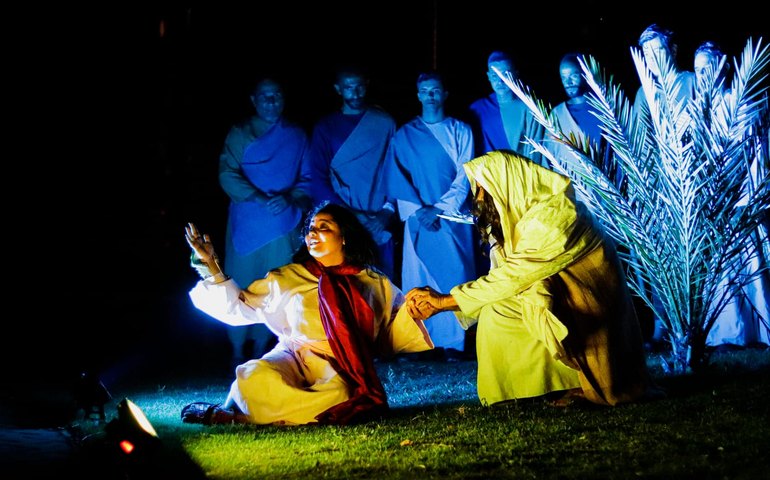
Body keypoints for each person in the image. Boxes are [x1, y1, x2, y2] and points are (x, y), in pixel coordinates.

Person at [406, 150, 660, 407]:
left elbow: (514, 276)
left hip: (586, 302)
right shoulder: (513, 216)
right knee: (500, 309)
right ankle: (523, 391)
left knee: (521, 304)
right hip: (556, 294)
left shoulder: (558, 213)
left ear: (508, 181)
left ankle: (575, 382)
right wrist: (445, 302)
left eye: (484, 188)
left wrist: (446, 301)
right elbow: (500, 277)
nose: (479, 198)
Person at [182, 202, 434, 426]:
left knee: (342, 396)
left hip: (338, 364)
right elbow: (239, 306)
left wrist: (413, 311)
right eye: (311, 227)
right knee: (254, 377)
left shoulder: (372, 281)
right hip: (292, 355)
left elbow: (388, 330)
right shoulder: (289, 276)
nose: (313, 232)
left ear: (343, 237)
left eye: (323, 227)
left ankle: (245, 418)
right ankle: (272, 415)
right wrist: (212, 265)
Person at [383, 71, 478, 360]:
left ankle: (455, 343)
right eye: (425, 91)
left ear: (445, 93)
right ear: (418, 95)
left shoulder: (461, 131)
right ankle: (421, 342)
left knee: (456, 276)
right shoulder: (404, 134)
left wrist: (440, 208)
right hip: (418, 220)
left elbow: (466, 173)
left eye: (435, 90)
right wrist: (420, 211)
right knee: (419, 275)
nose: (431, 96)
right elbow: (396, 178)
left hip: (452, 218)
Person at [218, 77, 311, 368]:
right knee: (242, 284)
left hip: (283, 223)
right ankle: (236, 350)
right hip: (247, 222)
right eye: (265, 96)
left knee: (276, 287)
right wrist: (258, 197)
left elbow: (308, 178)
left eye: (277, 96)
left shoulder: (296, 135)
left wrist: (289, 198)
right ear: (254, 100)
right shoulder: (240, 133)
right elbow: (227, 173)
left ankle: (262, 347)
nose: (271, 102)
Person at [694, 41, 770, 347]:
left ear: (723, 68)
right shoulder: (700, 111)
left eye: (707, 69)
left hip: (741, 202)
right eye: (698, 71)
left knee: (752, 267)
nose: (702, 77)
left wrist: (748, 201)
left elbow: (756, 158)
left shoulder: (742, 107)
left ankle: (759, 330)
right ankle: (730, 333)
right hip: (716, 204)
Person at [301, 65, 398, 280]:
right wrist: (350, 216)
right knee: (343, 282)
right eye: (348, 87)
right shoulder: (325, 127)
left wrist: (387, 211)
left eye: (359, 86)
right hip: (340, 220)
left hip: (377, 218)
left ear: (366, 86)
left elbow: (396, 169)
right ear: (338, 89)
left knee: (381, 283)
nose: (355, 92)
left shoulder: (384, 122)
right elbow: (317, 178)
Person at [467, 50, 546, 167]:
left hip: (520, 177)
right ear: (488, 76)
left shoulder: (529, 107)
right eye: (495, 75)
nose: (500, 81)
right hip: (486, 178)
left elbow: (535, 153)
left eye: (505, 74)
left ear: (516, 73)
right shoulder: (477, 109)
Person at [632, 24, 695, 123]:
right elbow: (639, 135)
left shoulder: (693, 81)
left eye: (657, 51)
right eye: (647, 54)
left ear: (673, 51)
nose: (652, 59)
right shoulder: (644, 93)